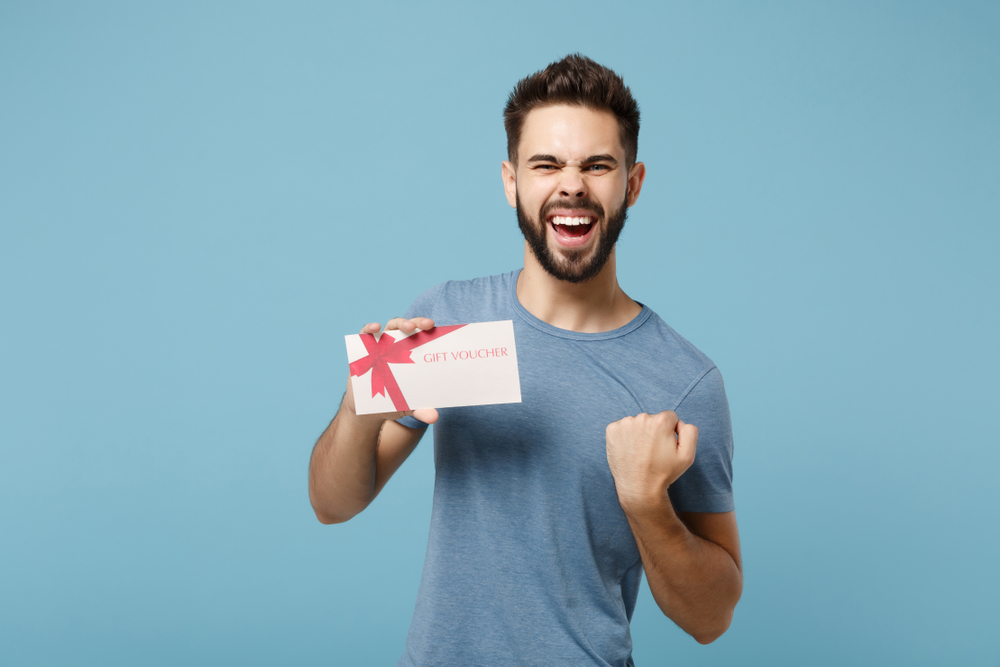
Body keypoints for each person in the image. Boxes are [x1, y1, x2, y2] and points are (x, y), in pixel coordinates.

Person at [308, 54, 742, 666]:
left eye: (598, 165)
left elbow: (712, 618)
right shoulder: (445, 321)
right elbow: (333, 505)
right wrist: (360, 403)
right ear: (512, 181)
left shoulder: (685, 381)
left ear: (633, 184)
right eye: (547, 165)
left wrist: (647, 504)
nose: (572, 185)